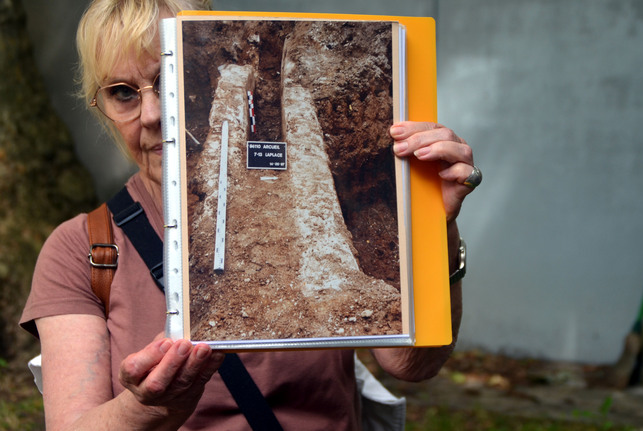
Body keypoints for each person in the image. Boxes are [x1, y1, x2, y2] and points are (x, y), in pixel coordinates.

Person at [20, 0, 479, 429]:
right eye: (123, 93)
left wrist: (436, 226)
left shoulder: (340, 197)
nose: (153, 115)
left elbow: (413, 365)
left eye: (169, 79)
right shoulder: (82, 247)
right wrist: (145, 408)